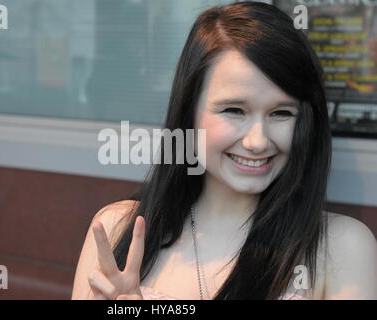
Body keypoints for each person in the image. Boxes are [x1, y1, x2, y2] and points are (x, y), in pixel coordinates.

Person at [71, 2, 377, 300]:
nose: (258, 141)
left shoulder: (342, 247)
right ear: (189, 111)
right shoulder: (115, 230)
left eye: (281, 113)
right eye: (234, 110)